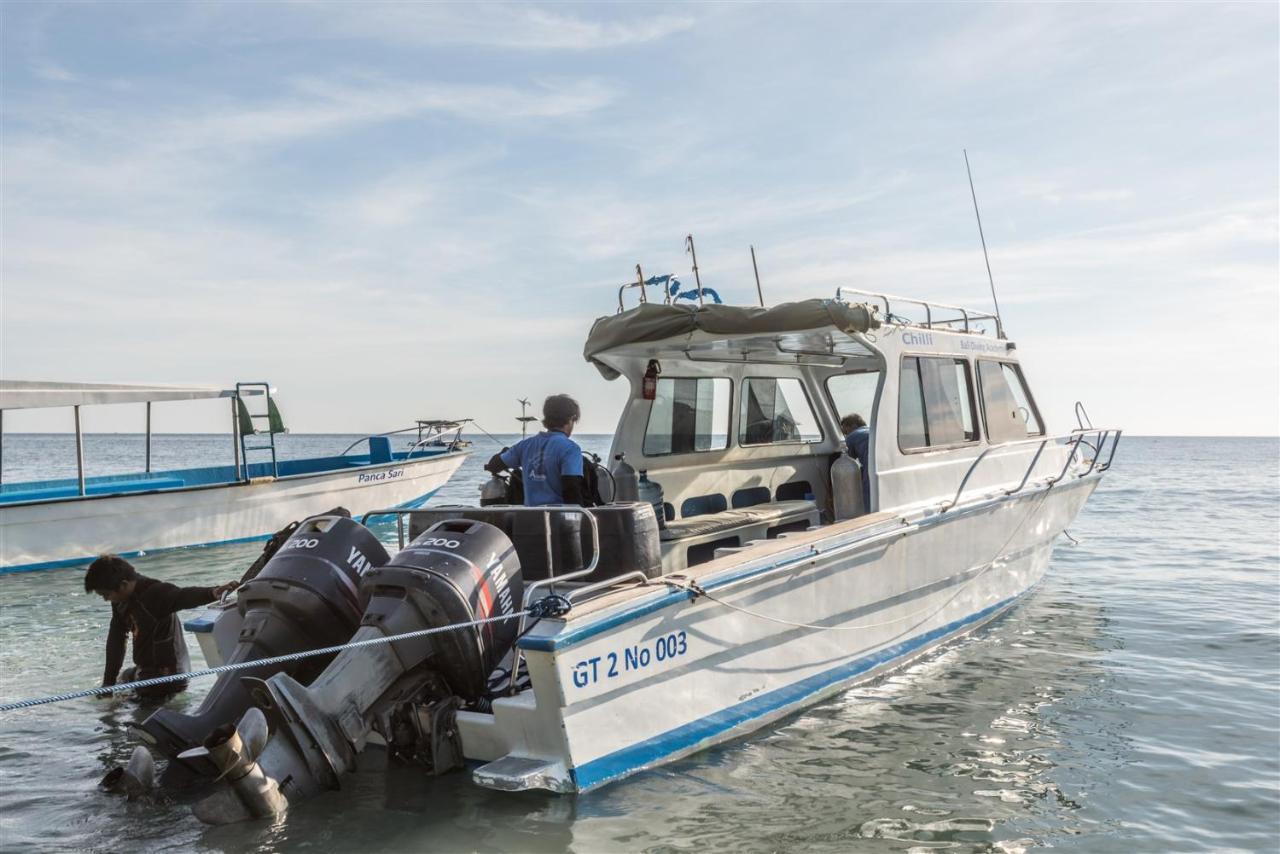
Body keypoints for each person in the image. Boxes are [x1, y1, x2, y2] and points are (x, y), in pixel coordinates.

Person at [85, 555, 239, 700]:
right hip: (145, 670)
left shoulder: (155, 593)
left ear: (124, 585)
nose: (106, 599)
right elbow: (116, 641)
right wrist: (108, 683)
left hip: (168, 677)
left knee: (127, 714)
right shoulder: (119, 601)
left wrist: (212, 593)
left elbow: (182, 596)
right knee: (121, 683)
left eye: (106, 594)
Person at [485, 394, 586, 506]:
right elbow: (571, 491)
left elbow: (494, 465)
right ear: (571, 418)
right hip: (558, 518)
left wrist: (507, 452)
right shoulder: (571, 449)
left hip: (530, 517)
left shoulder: (524, 445)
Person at [840, 413, 871, 510]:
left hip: (870, 468)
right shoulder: (873, 430)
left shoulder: (852, 436)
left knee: (868, 494)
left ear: (853, 425)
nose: (846, 435)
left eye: (846, 431)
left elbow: (848, 460)